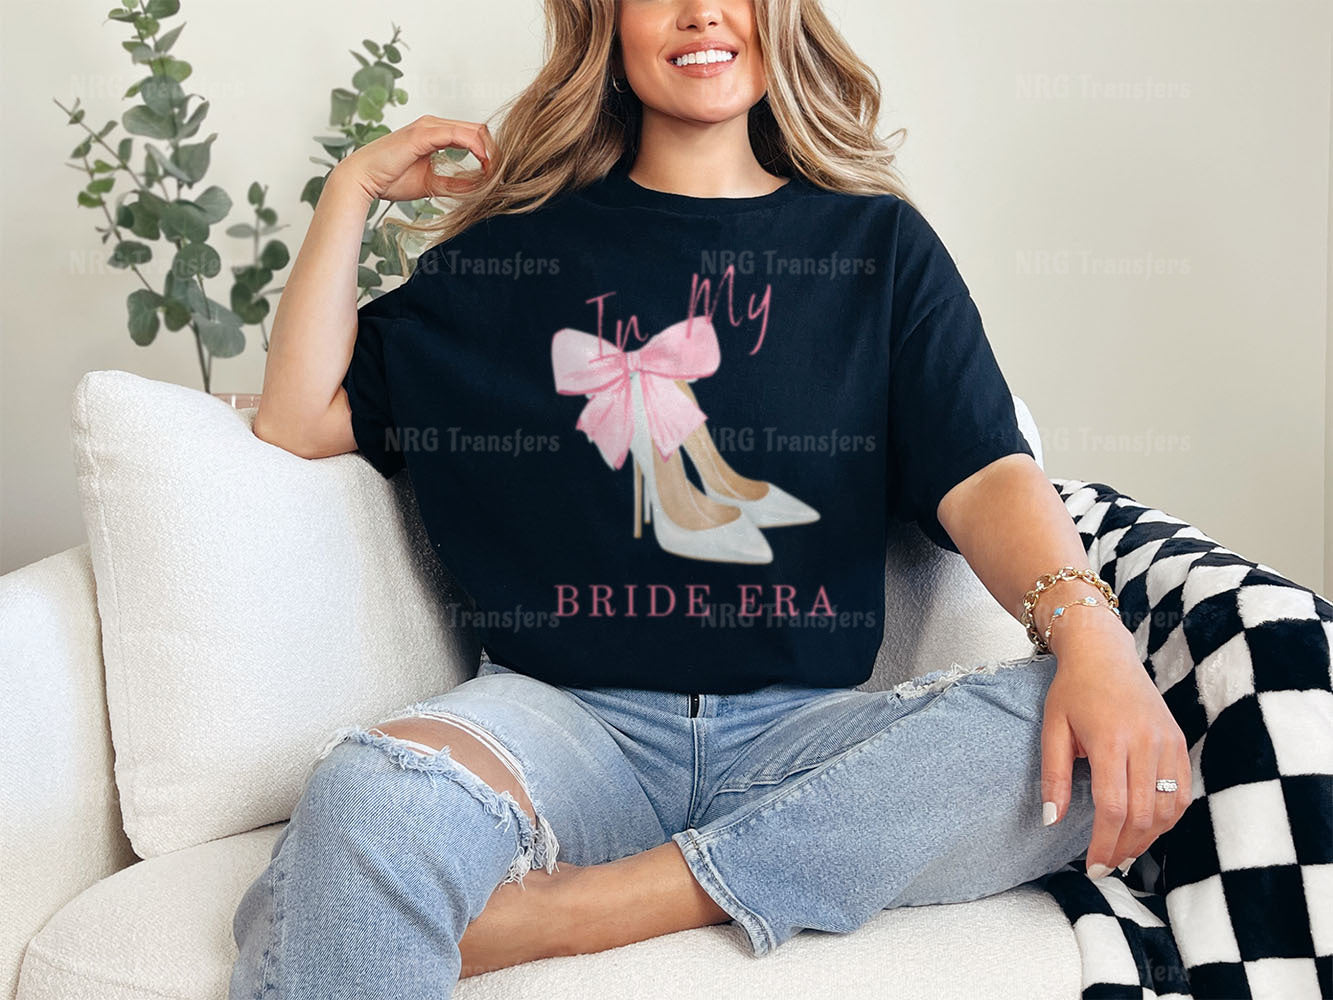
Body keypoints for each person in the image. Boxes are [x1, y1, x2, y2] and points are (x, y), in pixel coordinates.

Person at [230, 1, 1191, 996]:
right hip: (566, 724)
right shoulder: (513, 257)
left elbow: (985, 472)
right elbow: (302, 418)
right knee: (372, 796)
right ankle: (730, 871)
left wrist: (1088, 637)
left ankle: (589, 910)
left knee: (1083, 741)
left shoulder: (878, 249)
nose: (702, 10)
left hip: (804, 738)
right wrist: (352, 191)